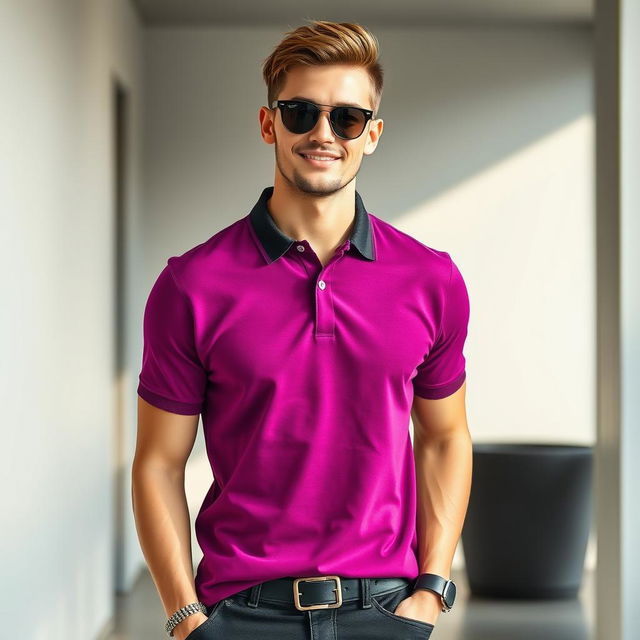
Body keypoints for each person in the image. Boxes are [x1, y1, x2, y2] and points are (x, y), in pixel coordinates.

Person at [132, 19, 472, 640]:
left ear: (372, 135)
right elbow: (158, 462)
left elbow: (445, 438)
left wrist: (432, 590)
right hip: (239, 616)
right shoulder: (192, 285)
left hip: (385, 614)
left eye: (346, 118)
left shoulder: (431, 281)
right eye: (300, 113)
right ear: (269, 124)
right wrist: (185, 618)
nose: (323, 134)